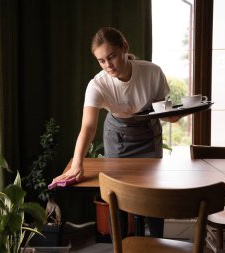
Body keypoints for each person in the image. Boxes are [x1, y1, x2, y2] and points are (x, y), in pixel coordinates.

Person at [52, 27, 181, 238]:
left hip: (148, 133)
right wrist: (78, 163)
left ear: (125, 48)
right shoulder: (97, 84)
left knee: (154, 194)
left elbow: (161, 111)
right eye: (101, 60)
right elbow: (88, 127)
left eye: (111, 57)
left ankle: (158, 243)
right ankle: (118, 246)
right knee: (116, 194)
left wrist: (171, 117)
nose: (108, 65)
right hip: (117, 134)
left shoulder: (152, 72)